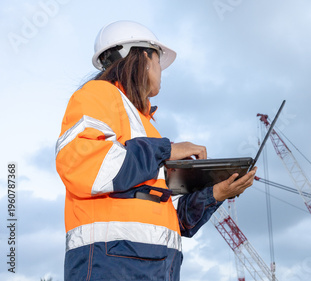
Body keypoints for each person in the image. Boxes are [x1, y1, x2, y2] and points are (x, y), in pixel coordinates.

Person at [55, 20, 256, 281]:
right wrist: (166, 149)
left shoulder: (147, 126)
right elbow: (83, 166)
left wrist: (217, 193)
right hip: (110, 267)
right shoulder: (98, 95)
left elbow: (172, 217)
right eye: (160, 61)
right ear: (144, 57)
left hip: (158, 268)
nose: (161, 70)